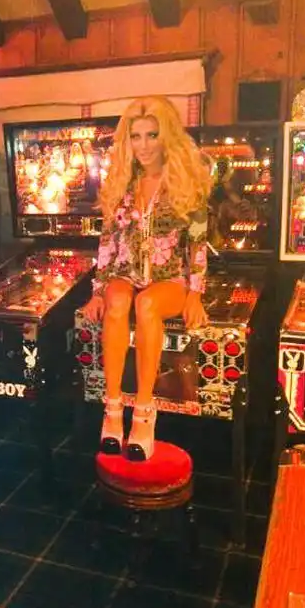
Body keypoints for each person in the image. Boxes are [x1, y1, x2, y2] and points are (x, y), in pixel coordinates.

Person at [81, 97, 212, 462]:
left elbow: (197, 243)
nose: (143, 145)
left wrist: (195, 294)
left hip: (170, 278)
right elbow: (108, 242)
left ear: (167, 136)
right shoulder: (121, 183)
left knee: (147, 303)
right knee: (118, 300)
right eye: (136, 136)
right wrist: (98, 291)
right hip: (125, 273)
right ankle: (112, 408)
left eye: (152, 135)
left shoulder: (187, 183)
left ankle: (143, 412)